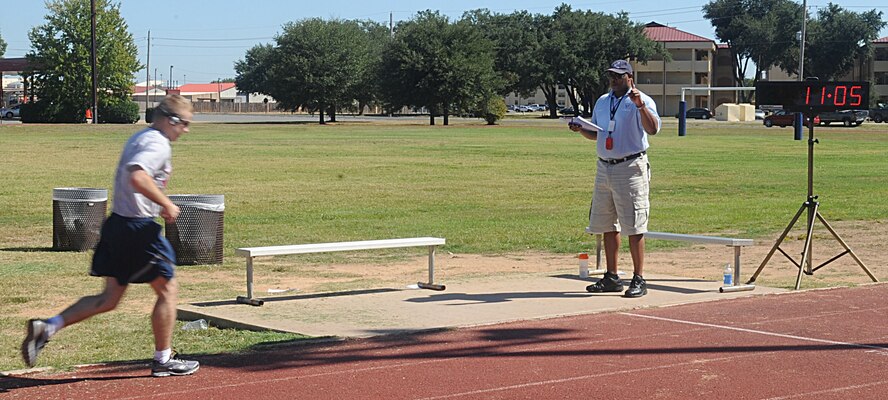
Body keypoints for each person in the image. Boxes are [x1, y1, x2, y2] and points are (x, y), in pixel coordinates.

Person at [21, 95, 199, 377]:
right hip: (138, 229)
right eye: (185, 124)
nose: (186, 130)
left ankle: (49, 326)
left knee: (109, 299)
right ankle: (163, 359)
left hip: (117, 224)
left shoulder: (141, 137)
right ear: (170, 120)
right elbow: (137, 177)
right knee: (168, 289)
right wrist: (165, 203)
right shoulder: (157, 143)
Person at [569, 59, 661, 298]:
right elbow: (598, 133)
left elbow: (653, 130)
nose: (614, 80)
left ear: (630, 77)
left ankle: (639, 278)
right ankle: (611, 276)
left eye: (619, 76)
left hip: (631, 167)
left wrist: (640, 107)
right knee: (607, 224)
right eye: (611, 75)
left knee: (634, 225)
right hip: (604, 167)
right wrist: (581, 129)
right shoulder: (602, 101)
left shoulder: (642, 100)